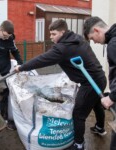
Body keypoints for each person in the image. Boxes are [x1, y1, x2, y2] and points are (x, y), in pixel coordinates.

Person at [14, 19, 107, 150]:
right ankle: (100, 127)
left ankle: (79, 144)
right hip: (100, 78)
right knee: (96, 104)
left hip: (89, 84)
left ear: (63, 32)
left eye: (54, 34)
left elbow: (41, 60)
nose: (51, 37)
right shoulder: (78, 39)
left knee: (79, 114)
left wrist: (21, 67)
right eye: (50, 34)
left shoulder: (63, 48)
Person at [84, 16, 116, 150]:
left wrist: (113, 97)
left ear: (97, 30)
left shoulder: (114, 44)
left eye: (92, 38)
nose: (95, 43)